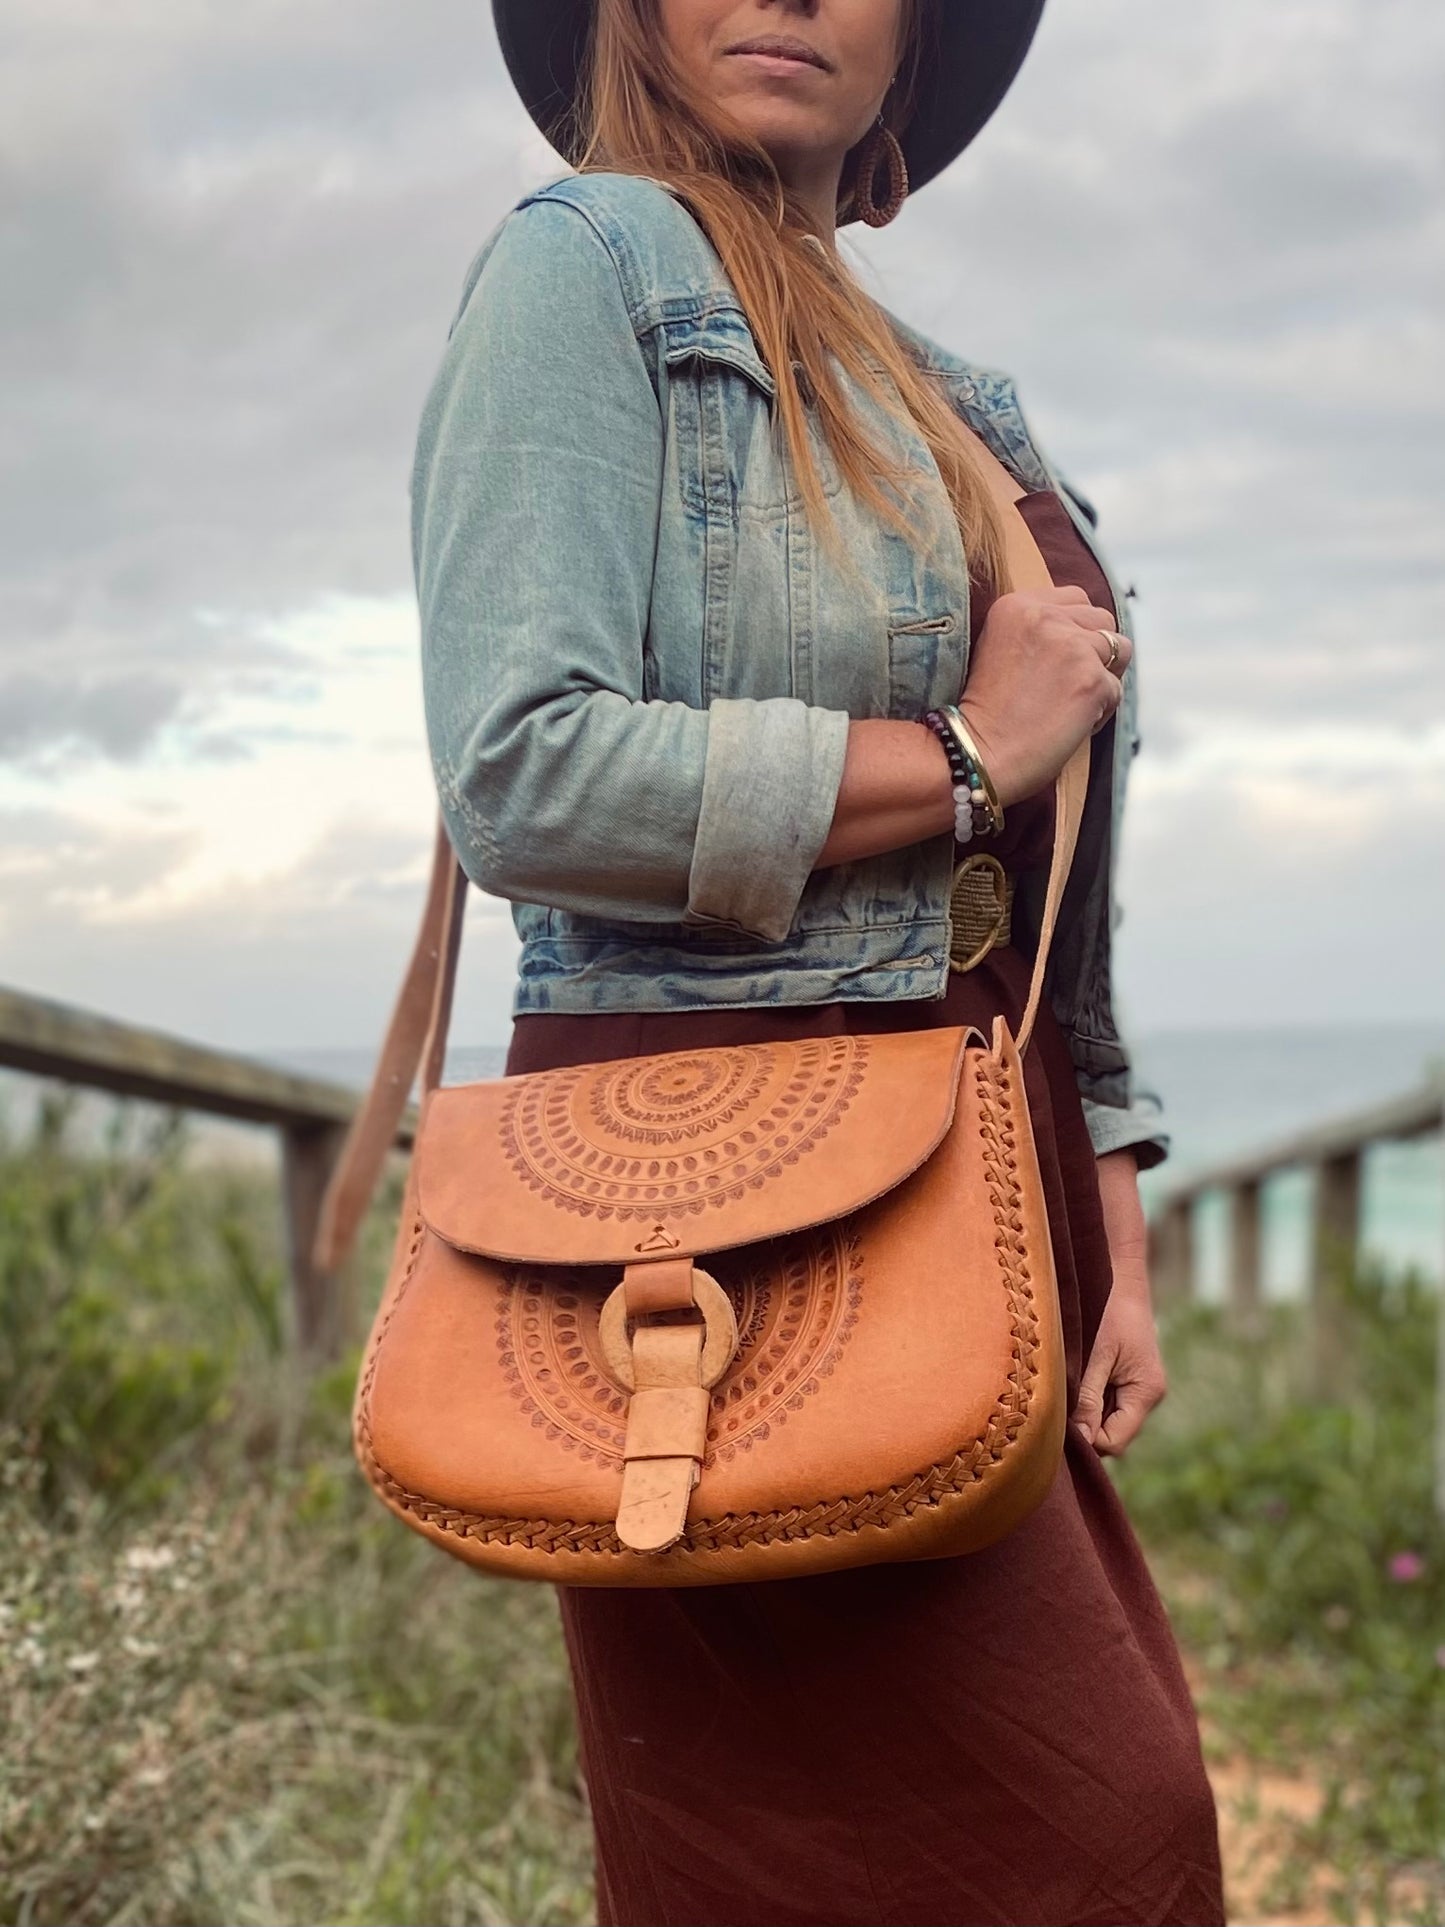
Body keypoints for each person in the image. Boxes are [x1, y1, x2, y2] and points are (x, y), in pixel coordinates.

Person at [413, 2, 1225, 1921]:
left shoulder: (951, 388)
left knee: (1089, 1830)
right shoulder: (583, 265)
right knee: (1049, 1847)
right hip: (719, 1208)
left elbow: (1051, 860)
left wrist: (1100, 1181)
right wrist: (956, 751)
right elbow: (522, 775)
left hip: (978, 1162)